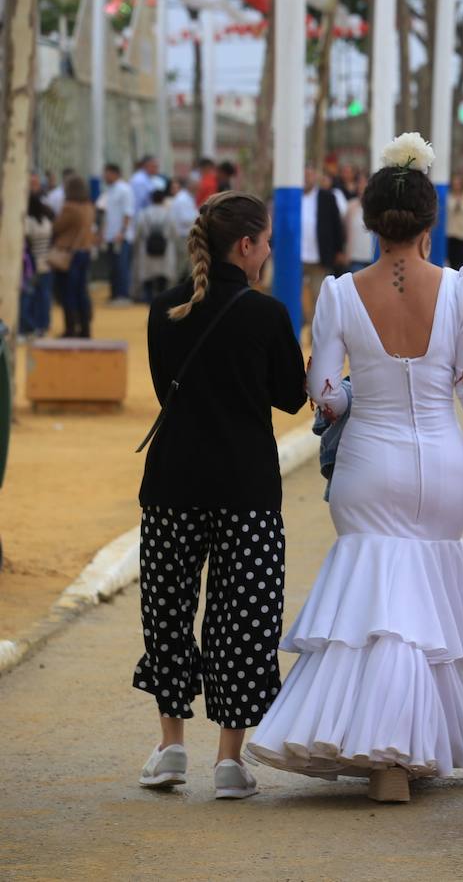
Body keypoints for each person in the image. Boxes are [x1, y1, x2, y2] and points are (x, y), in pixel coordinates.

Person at [247, 134, 463, 804]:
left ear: (369, 223)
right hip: (441, 465)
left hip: (367, 461)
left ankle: (384, 752)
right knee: (420, 601)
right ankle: (407, 750)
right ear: (428, 223)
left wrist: (352, 396)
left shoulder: (340, 292)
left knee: (379, 603)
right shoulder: (458, 289)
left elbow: (323, 392)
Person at [134, 191, 307, 799]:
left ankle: (171, 747)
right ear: (246, 245)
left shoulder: (164, 308)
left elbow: (166, 390)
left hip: (172, 483)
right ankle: (229, 761)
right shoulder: (267, 314)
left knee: (167, 614)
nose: (269, 253)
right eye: (267, 243)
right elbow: (292, 397)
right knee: (245, 620)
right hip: (246, 489)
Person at [301, 166, 347, 329]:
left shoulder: (327, 197)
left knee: (319, 299)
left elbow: (336, 226)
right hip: (296, 258)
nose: (306, 178)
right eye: (303, 175)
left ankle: (316, 334)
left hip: (319, 258)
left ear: (315, 177)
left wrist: (339, 250)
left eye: (309, 175)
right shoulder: (292, 198)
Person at [50, 175, 96, 339]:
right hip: (85, 252)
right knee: (81, 291)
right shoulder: (89, 206)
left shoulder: (69, 208)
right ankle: (85, 328)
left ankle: (70, 328)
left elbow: (57, 227)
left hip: (69, 254)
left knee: (67, 292)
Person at [99, 163, 135, 304]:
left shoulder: (124, 189)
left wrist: (122, 232)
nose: (105, 177)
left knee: (121, 266)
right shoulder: (109, 190)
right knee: (113, 267)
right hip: (110, 235)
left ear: (115, 174)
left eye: (107, 174)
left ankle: (123, 295)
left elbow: (128, 212)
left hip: (121, 236)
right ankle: (114, 294)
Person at [22, 193, 56, 337]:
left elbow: (26, 240)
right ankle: (44, 324)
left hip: (34, 263)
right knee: (45, 295)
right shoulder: (46, 221)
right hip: (47, 262)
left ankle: (33, 325)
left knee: (31, 296)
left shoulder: (28, 222)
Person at [134, 188, 177, 301]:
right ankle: (162, 299)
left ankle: (148, 298)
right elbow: (174, 232)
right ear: (163, 199)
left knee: (148, 275)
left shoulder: (143, 214)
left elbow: (138, 232)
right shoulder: (169, 214)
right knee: (163, 275)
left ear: (151, 199)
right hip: (165, 250)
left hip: (147, 249)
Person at [169, 177, 200, 279]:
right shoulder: (183, 199)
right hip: (183, 236)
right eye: (196, 186)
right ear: (191, 186)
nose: (198, 189)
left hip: (186, 236)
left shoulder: (187, 198)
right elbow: (185, 219)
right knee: (182, 266)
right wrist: (198, 217)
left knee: (187, 265)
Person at [343, 174, 374, 273]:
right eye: (360, 183)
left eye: (365, 183)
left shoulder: (376, 207)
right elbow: (345, 231)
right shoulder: (350, 206)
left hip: (373, 259)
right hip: (354, 259)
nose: (362, 186)